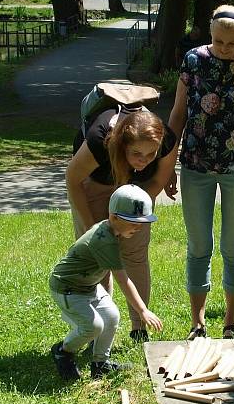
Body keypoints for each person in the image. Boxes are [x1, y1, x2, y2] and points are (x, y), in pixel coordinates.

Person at [168, 4, 234, 340]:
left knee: (233, 246)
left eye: (233, 44)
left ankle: (231, 321)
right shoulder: (194, 60)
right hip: (196, 165)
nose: (225, 49)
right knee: (199, 245)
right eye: (219, 41)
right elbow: (178, 113)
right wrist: (168, 163)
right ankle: (198, 323)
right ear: (209, 34)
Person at [66, 109, 177, 343]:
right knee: (98, 257)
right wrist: (93, 231)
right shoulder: (100, 140)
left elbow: (157, 180)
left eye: (150, 154)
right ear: (124, 144)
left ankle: (139, 327)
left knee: (135, 254)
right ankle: (101, 330)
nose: (143, 160)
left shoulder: (166, 140)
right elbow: (72, 178)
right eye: (136, 153)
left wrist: (135, 215)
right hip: (95, 183)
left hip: (139, 187)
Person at [50, 185, 163, 381]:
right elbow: (123, 280)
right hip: (68, 289)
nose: (139, 227)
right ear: (114, 218)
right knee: (93, 326)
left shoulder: (112, 231)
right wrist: (142, 311)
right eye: (134, 222)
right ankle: (63, 351)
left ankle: (100, 364)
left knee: (111, 317)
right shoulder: (104, 241)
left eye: (143, 222)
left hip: (89, 286)